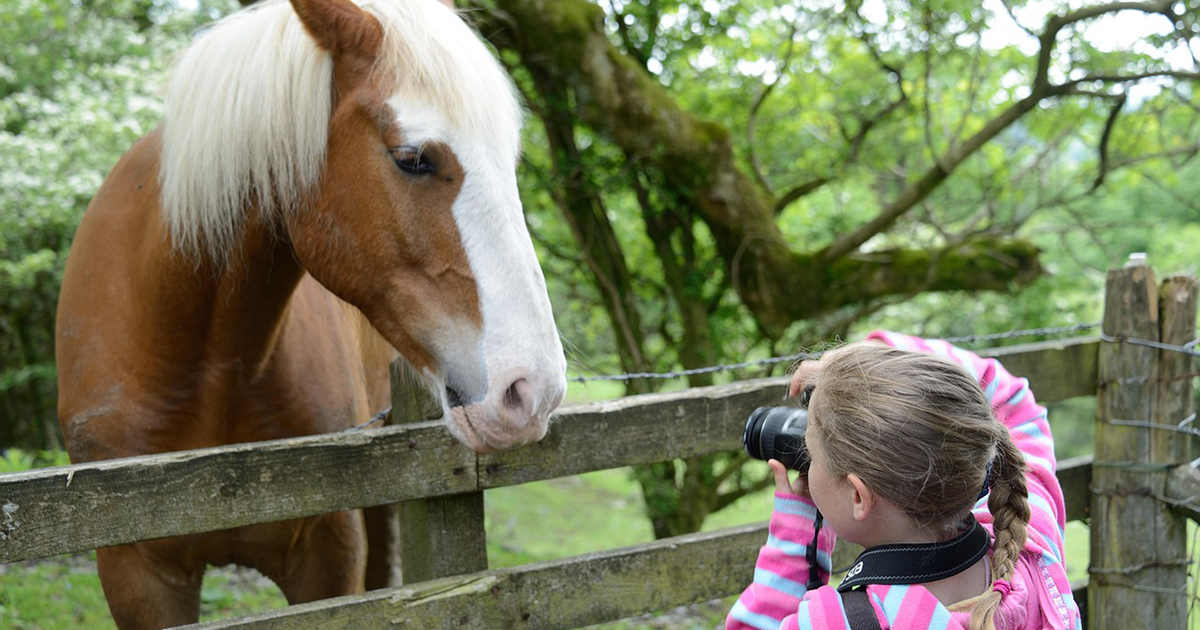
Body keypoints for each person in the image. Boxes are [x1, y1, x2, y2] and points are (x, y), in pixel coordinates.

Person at [727, 331, 1081, 630]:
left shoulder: (840, 619)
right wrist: (870, 357)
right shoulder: (1032, 548)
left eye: (811, 455)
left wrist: (795, 535)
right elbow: (1014, 399)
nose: (806, 463)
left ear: (858, 496)